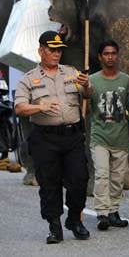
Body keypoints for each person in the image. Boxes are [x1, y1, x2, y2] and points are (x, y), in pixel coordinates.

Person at [14, 31, 90, 244]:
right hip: (45, 139)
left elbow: (87, 95)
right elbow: (19, 107)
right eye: (52, 50)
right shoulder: (28, 79)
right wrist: (40, 106)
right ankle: (55, 227)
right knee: (49, 184)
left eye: (59, 50)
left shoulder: (71, 72)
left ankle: (75, 219)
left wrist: (86, 85)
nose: (56, 54)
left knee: (79, 179)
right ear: (40, 51)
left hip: (72, 135)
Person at [87, 40, 129, 231]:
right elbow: (85, 99)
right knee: (102, 175)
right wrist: (85, 88)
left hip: (121, 137)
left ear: (118, 56)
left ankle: (113, 211)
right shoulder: (92, 80)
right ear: (100, 57)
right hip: (99, 137)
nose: (110, 57)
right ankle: (102, 213)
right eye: (106, 54)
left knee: (118, 178)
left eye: (113, 53)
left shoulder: (126, 80)